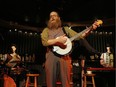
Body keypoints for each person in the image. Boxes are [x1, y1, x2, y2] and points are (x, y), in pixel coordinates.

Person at [41, 11, 100, 87]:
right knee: (50, 83)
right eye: (51, 16)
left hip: (65, 58)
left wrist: (91, 28)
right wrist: (57, 40)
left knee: (66, 83)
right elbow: (44, 42)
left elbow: (80, 36)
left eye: (54, 15)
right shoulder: (46, 30)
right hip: (51, 56)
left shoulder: (65, 29)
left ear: (59, 18)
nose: (52, 17)